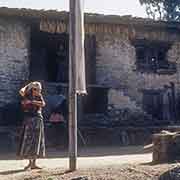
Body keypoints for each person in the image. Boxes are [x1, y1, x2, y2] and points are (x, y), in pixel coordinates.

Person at [17, 81, 46, 170]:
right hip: (29, 120)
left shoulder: (39, 97)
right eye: (37, 89)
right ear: (33, 89)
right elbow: (22, 95)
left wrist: (32, 102)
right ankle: (30, 163)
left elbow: (43, 104)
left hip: (37, 119)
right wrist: (29, 85)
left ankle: (34, 163)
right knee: (28, 140)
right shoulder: (27, 95)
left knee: (36, 141)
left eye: (39, 89)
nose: (39, 91)